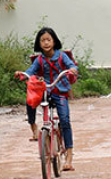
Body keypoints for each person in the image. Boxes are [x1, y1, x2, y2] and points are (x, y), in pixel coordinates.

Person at [16, 27, 78, 171]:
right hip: (45, 91)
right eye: (42, 40)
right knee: (32, 104)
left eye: (48, 40)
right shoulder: (39, 59)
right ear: (39, 43)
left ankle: (69, 157)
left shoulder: (62, 56)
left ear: (54, 41)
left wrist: (73, 69)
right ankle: (38, 131)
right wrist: (23, 74)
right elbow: (31, 71)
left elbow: (71, 66)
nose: (46, 43)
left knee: (65, 120)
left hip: (60, 91)